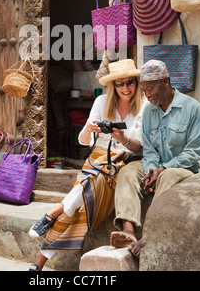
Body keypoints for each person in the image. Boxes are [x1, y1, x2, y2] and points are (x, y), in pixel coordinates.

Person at [28, 59, 149, 271]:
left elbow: (138, 148)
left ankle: (51, 219)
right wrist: (89, 129)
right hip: (96, 161)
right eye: (119, 84)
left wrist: (121, 138)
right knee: (77, 208)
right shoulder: (102, 102)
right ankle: (38, 265)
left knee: (89, 182)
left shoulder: (144, 106)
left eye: (130, 82)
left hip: (121, 162)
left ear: (136, 83)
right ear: (112, 85)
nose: (125, 88)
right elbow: (83, 141)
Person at [110, 59, 200, 258]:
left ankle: (151, 234)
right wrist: (152, 169)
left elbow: (194, 153)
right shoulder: (149, 110)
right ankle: (128, 231)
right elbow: (150, 150)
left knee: (168, 176)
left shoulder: (193, 108)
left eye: (151, 88)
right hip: (158, 167)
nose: (148, 95)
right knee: (128, 171)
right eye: (144, 90)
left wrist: (162, 169)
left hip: (185, 169)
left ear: (166, 81)